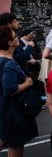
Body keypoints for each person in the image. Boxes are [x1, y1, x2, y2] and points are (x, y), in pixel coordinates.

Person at [0, 25, 38, 157]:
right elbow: (9, 89)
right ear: (10, 43)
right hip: (13, 112)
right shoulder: (9, 64)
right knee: (16, 147)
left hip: (4, 110)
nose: (18, 38)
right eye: (15, 36)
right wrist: (27, 83)